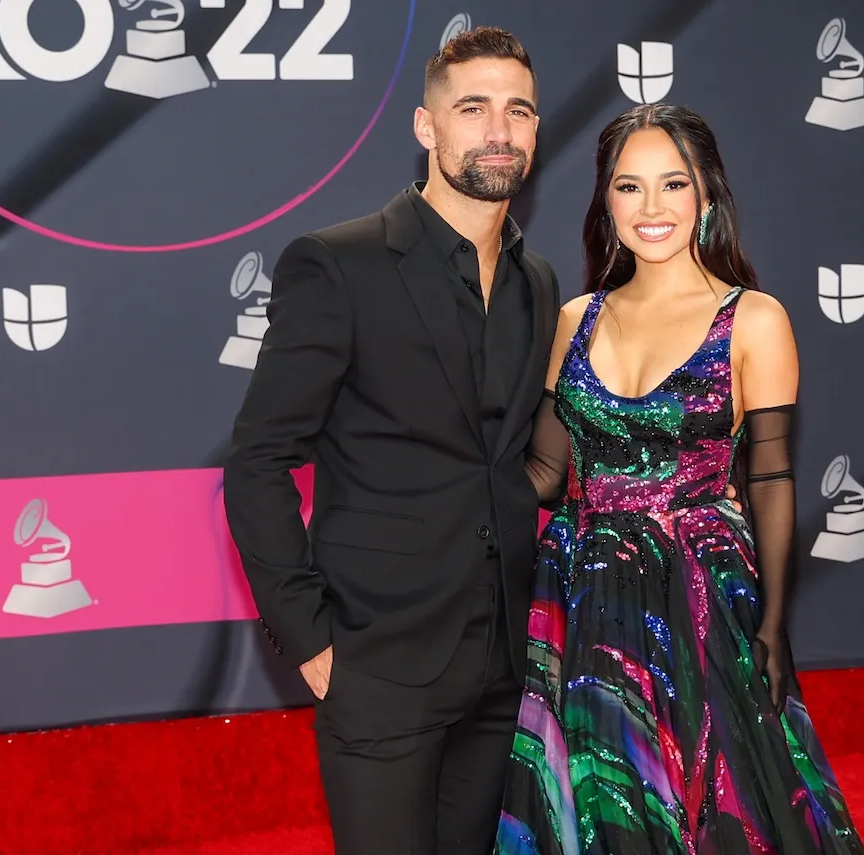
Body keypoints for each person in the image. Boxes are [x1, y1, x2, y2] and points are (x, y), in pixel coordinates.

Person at [222, 27, 562, 855]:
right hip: (377, 666)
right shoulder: (340, 265)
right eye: (472, 108)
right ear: (426, 126)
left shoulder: (538, 282)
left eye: (517, 110)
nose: (498, 130)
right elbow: (258, 461)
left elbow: (513, 465)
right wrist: (312, 645)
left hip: (498, 662)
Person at [493, 104, 864, 854]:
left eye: (674, 184)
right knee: (603, 794)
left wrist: (770, 622)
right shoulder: (576, 318)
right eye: (630, 187)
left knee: (717, 796)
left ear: (707, 196)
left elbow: (769, 473)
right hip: (584, 589)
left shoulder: (754, 319)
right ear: (606, 200)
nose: (652, 207)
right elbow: (541, 472)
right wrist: (420, 472)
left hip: (698, 589)